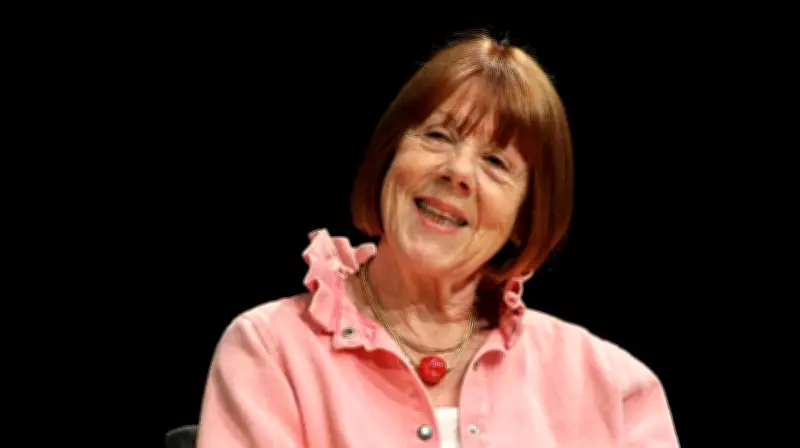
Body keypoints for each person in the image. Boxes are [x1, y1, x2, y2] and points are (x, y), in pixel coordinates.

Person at [196, 33, 679, 447]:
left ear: (523, 217)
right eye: (438, 136)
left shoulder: (615, 390)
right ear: (390, 156)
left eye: (496, 162)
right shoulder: (271, 352)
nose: (458, 171)